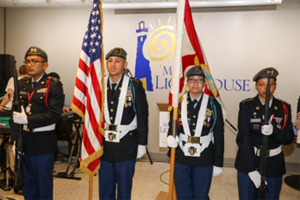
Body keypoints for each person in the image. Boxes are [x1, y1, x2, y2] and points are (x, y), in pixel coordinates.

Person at [234, 67, 295, 200]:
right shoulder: (247, 106)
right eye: (262, 84)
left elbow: (289, 137)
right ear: (256, 86)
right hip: (249, 161)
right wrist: (251, 169)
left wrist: (275, 132)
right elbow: (244, 138)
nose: (266, 88)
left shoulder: (284, 107)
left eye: (270, 84)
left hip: (274, 164)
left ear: (275, 86)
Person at [12, 46, 64, 199]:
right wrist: (15, 140)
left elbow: (54, 115)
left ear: (45, 65)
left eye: (35, 61)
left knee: (43, 184)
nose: (30, 64)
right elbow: (15, 114)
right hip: (25, 140)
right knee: (27, 183)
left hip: (43, 142)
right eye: (27, 61)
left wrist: (28, 119)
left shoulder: (53, 85)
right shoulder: (21, 84)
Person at [167, 65, 224, 200]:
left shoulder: (213, 105)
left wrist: (218, 163)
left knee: (200, 195)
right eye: (192, 80)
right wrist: (170, 138)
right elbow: (172, 127)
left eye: (199, 80)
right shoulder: (178, 104)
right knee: (182, 194)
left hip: (204, 156)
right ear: (187, 82)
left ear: (204, 83)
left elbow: (219, 135)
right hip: (181, 155)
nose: (195, 84)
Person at [98, 47, 149, 200]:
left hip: (127, 144)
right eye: (110, 60)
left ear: (125, 64)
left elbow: (142, 117)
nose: (113, 64)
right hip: (104, 145)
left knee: (124, 188)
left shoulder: (134, 86)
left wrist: (142, 144)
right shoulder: (99, 86)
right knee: (105, 187)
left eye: (117, 61)